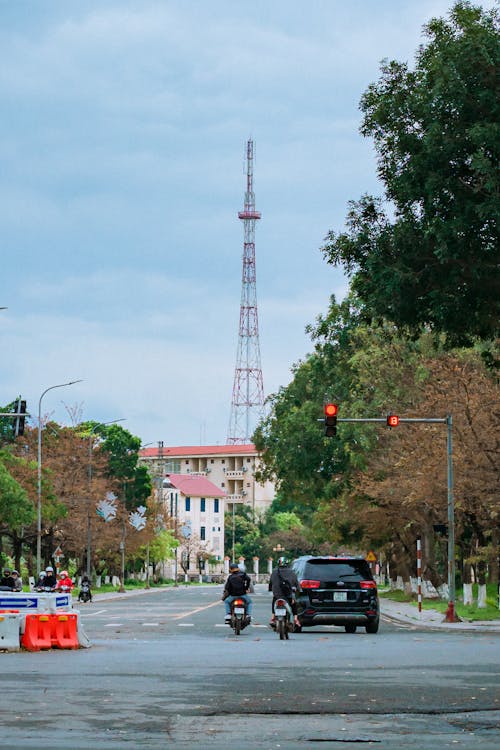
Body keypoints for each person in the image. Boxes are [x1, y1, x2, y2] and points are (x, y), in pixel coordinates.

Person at [269, 556, 301, 628]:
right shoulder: (291, 572)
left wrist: (271, 589)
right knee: (294, 604)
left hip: (277, 595)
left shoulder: (274, 572)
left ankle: (273, 618)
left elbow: (271, 582)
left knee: (274, 601)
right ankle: (296, 619)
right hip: (288, 595)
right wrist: (298, 590)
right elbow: (296, 583)